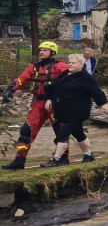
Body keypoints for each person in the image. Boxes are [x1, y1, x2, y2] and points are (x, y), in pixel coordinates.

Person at [2, 42, 69, 170]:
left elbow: (73, 77)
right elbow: (21, 79)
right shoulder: (34, 67)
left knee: (60, 130)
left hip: (55, 102)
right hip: (38, 102)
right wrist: (11, 90)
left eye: (45, 50)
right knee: (26, 131)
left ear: (52, 52)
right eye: (41, 50)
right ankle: (19, 159)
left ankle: (63, 158)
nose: (41, 52)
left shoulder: (60, 66)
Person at [41, 53, 108, 167]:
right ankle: (88, 155)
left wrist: (103, 104)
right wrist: (49, 99)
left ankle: (56, 159)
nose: (70, 64)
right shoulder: (64, 75)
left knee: (62, 134)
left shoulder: (87, 78)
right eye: (69, 62)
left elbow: (96, 92)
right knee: (79, 134)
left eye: (73, 63)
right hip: (64, 110)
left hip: (78, 111)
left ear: (81, 64)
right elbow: (53, 87)